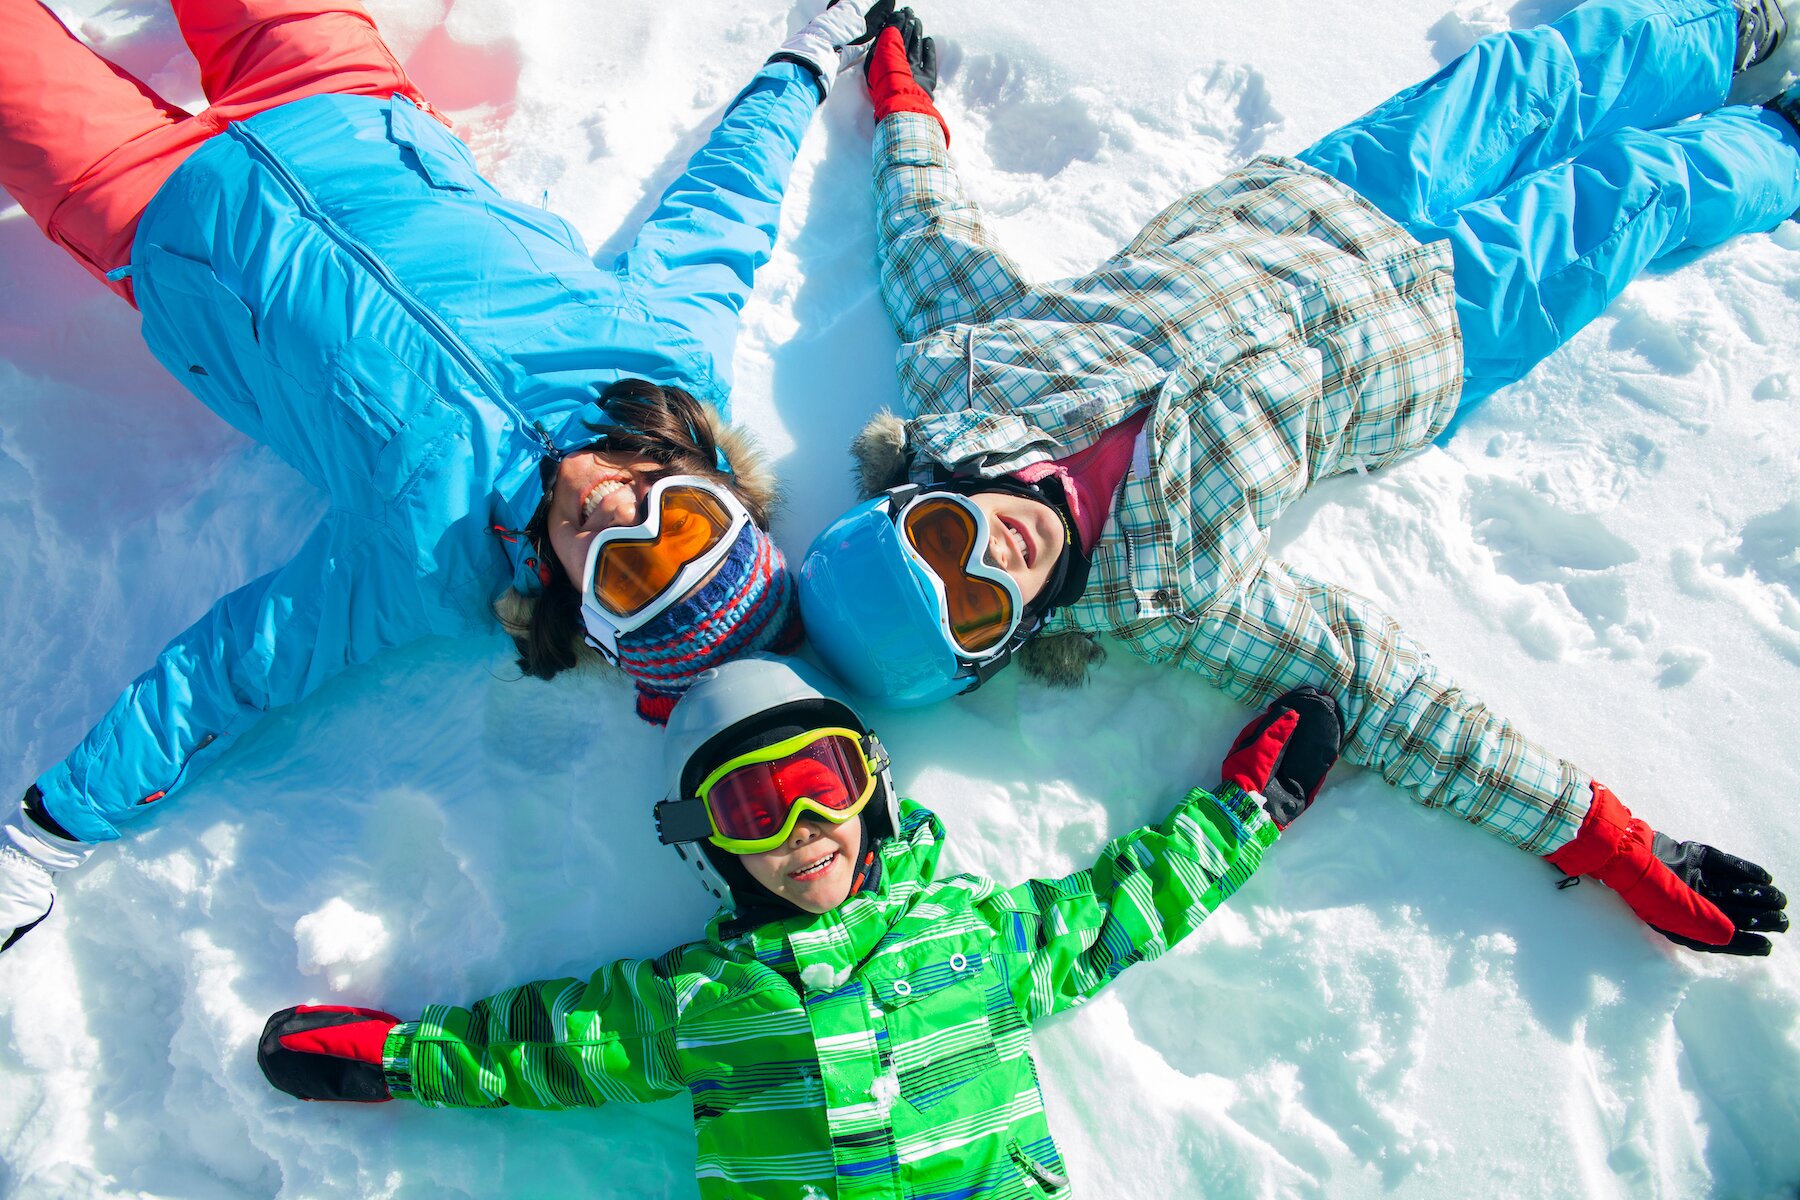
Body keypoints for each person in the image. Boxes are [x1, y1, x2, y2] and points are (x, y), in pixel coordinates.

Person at [797, 2, 1796, 956]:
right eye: (976, 606)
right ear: (1000, 647)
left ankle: (1733, 20)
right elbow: (1391, 697)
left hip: (1321, 199)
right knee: (1632, 196)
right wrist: (1615, 843)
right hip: (1434, 329)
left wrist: (901, 106)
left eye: (937, 537)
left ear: (911, 493)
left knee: (1530, 78)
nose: (990, 552)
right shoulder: (1177, 594)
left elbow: (924, 237)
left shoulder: (974, 367)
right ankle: (1781, 143)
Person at [0, 0, 898, 954]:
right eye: (678, 521)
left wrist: (41, 836)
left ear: (574, 604)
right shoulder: (663, 350)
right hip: (335, 94)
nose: (615, 511)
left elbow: (228, 672)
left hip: (159, 219)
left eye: (625, 572)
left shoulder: (422, 562)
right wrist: (804, 60)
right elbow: (729, 204)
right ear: (713, 484)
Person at [255, 654, 1340, 1198]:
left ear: (869, 787)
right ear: (711, 843)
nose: (802, 829)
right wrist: (402, 1060)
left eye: (821, 785)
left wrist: (1249, 810)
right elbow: (544, 1049)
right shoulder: (694, 1002)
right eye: (750, 807)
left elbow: (1120, 909)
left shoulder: (977, 941)